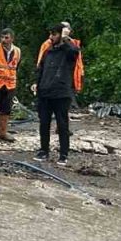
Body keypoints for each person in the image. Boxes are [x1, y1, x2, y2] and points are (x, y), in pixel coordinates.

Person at [34, 24, 82, 166]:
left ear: (61, 35)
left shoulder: (69, 50)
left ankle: (63, 154)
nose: (50, 37)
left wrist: (66, 38)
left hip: (61, 93)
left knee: (62, 124)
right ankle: (44, 150)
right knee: (44, 123)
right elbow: (41, 70)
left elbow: (74, 52)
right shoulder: (48, 51)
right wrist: (37, 85)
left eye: (54, 34)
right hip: (45, 92)